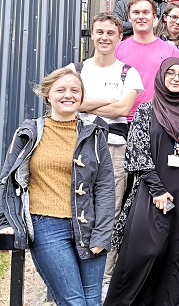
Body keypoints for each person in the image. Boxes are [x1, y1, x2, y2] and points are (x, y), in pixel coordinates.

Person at [0, 68, 115, 306]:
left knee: (93, 302)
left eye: (75, 90)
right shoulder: (29, 132)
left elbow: (105, 187)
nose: (68, 95)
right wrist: (5, 221)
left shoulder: (94, 134)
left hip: (88, 226)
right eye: (60, 90)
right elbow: (7, 180)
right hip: (46, 227)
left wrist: (102, 234)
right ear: (48, 95)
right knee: (74, 302)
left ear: (82, 97)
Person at [105, 58, 179, 306]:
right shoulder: (147, 110)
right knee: (147, 249)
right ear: (161, 77)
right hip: (153, 190)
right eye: (170, 73)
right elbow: (137, 151)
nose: (175, 78)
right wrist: (158, 189)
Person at [66, 13, 144, 297]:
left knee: (107, 212)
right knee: (75, 207)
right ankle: (75, 273)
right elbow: (68, 103)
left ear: (119, 37)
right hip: (78, 147)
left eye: (110, 33)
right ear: (93, 34)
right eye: (99, 32)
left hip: (115, 148)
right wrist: (106, 101)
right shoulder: (75, 69)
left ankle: (103, 280)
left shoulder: (128, 72)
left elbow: (124, 109)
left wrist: (86, 105)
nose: (104, 37)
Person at [115, 0, 179, 121]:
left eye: (145, 12)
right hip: (122, 121)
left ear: (154, 17)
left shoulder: (171, 51)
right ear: (129, 17)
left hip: (160, 120)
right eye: (136, 12)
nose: (141, 17)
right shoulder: (117, 49)